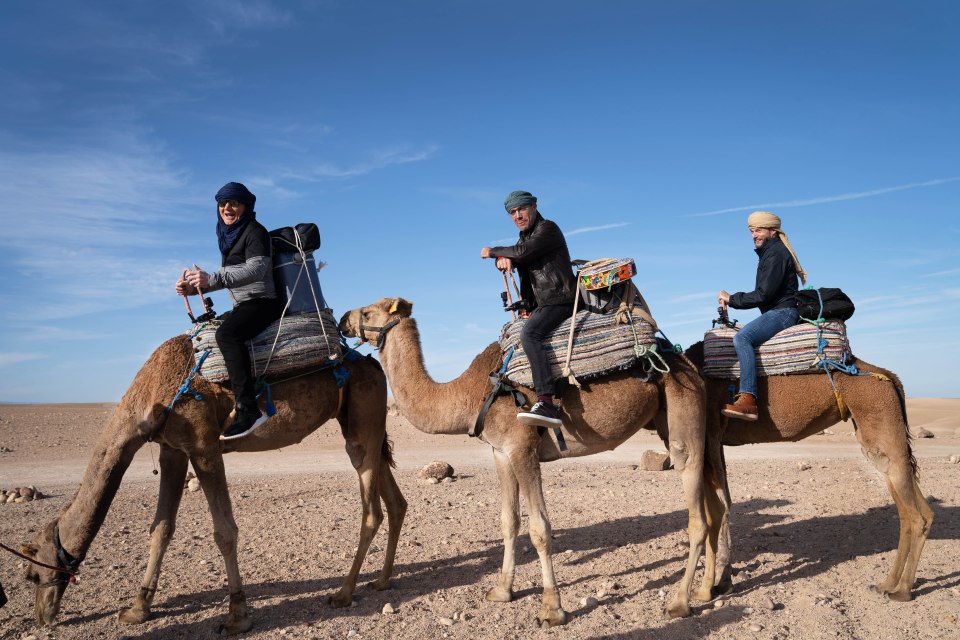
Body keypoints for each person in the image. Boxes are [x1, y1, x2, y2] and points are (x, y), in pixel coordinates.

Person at [175, 182, 283, 440]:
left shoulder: (255, 231)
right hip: (244, 304)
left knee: (227, 335)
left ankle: (248, 409)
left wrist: (211, 279)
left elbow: (256, 270)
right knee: (203, 332)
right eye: (223, 204)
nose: (227, 208)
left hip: (263, 301)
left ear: (246, 206)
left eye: (234, 202)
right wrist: (192, 289)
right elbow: (228, 277)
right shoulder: (228, 235)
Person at [481, 190, 577, 427]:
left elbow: (523, 253)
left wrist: (492, 252)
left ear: (534, 206)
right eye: (512, 212)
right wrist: (505, 260)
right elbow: (521, 257)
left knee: (530, 335)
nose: (518, 215)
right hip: (544, 303)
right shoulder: (525, 238)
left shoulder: (548, 229)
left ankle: (547, 401)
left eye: (521, 209)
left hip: (561, 299)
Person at [717, 211, 807, 420]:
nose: (753, 235)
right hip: (777, 310)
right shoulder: (771, 252)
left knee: (743, 337)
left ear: (772, 231)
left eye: (758, 230)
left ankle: (748, 399)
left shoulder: (775, 254)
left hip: (783, 312)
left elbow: (763, 294)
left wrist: (732, 299)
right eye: (751, 231)